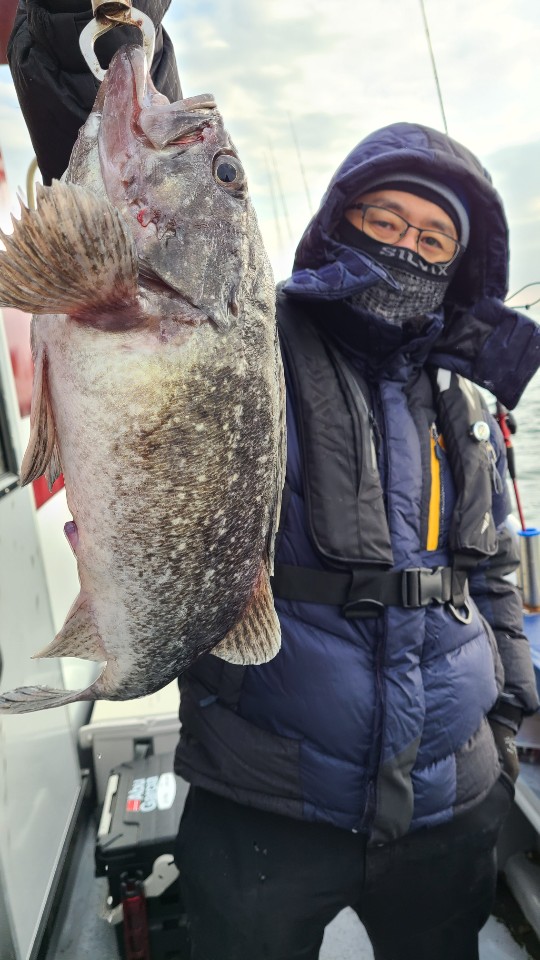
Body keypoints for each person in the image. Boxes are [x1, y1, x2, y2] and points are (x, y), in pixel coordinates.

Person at [8, 6, 540, 959]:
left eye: (433, 238)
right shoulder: (258, 333)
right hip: (267, 800)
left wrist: (509, 724)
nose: (407, 246)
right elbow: (129, 206)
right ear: (339, 222)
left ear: (459, 263)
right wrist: (103, 39)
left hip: (452, 799)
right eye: (385, 219)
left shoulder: (460, 393)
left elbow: (495, 572)